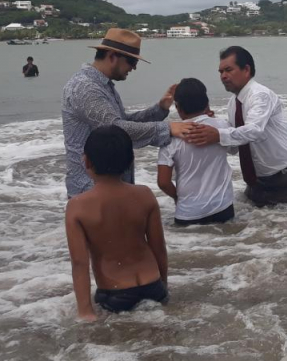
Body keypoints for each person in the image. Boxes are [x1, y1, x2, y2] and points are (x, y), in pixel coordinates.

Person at [61, 28, 189, 198]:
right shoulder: (85, 88)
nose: (134, 67)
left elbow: (122, 121)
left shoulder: (101, 85)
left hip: (105, 189)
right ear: (112, 56)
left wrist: (160, 109)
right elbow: (117, 130)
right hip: (92, 192)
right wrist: (168, 128)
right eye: (131, 61)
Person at [64, 126, 169, 320]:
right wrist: (163, 288)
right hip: (153, 286)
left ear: (86, 161)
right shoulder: (144, 195)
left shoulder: (77, 207)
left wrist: (85, 311)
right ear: (130, 161)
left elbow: (79, 263)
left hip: (115, 294)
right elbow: (159, 248)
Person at [187, 46, 287, 207]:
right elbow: (234, 146)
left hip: (285, 176)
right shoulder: (233, 103)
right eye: (220, 72)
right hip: (258, 180)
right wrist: (211, 125)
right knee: (259, 228)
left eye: (228, 70)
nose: (223, 76)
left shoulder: (260, 95)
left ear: (246, 69)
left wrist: (218, 134)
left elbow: (254, 131)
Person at [156, 78, 235, 226]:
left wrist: (177, 198)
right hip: (222, 207)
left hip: (188, 213)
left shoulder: (171, 137)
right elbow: (234, 149)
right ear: (206, 103)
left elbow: (163, 182)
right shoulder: (221, 126)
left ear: (178, 108)